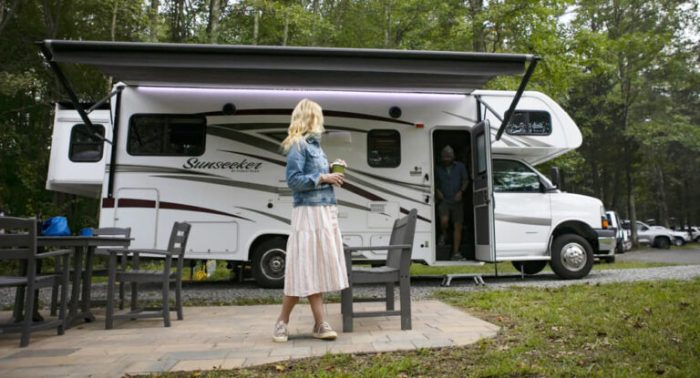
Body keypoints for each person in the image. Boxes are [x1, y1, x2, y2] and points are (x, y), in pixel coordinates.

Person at [273, 99, 349, 343]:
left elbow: (317, 176)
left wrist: (333, 170)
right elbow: (294, 180)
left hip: (325, 211)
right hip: (308, 213)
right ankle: (287, 322)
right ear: (311, 117)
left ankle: (316, 323)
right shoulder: (299, 145)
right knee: (303, 266)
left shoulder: (317, 148)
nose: (322, 120)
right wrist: (324, 176)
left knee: (315, 266)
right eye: (319, 115)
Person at [435, 145, 469, 260]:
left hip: (457, 200)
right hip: (444, 200)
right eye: (445, 157)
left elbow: (465, 180)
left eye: (449, 156)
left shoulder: (460, 166)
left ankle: (456, 253)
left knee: (457, 226)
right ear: (441, 157)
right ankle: (444, 234)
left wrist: (461, 192)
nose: (447, 159)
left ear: (453, 156)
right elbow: (433, 181)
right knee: (444, 221)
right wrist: (437, 191)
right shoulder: (437, 168)